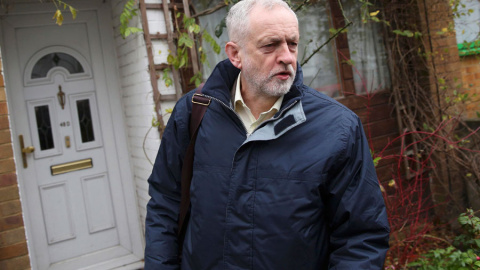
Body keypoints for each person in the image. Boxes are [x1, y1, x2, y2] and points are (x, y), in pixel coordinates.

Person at [144, 0, 390, 269]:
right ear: (235, 54)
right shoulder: (193, 113)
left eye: (292, 44)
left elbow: (361, 237)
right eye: (270, 45)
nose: (287, 56)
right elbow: (165, 205)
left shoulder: (339, 127)